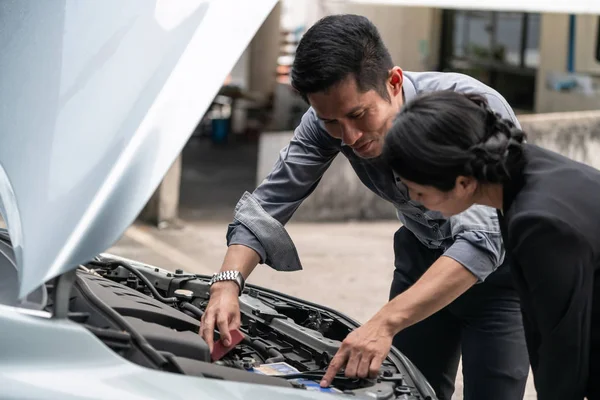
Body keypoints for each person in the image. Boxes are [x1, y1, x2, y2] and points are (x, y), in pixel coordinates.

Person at [200, 14, 529, 399]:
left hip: (502, 278)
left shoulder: (470, 107)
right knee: (407, 390)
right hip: (421, 256)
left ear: (393, 82)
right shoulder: (326, 122)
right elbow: (269, 204)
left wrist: (383, 324)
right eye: (332, 122)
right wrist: (226, 284)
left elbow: (482, 240)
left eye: (358, 115)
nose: (350, 137)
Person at [380, 89, 600, 399]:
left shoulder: (537, 222)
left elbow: (564, 350)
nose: (414, 201)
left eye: (418, 192)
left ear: (463, 184)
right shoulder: (526, 168)